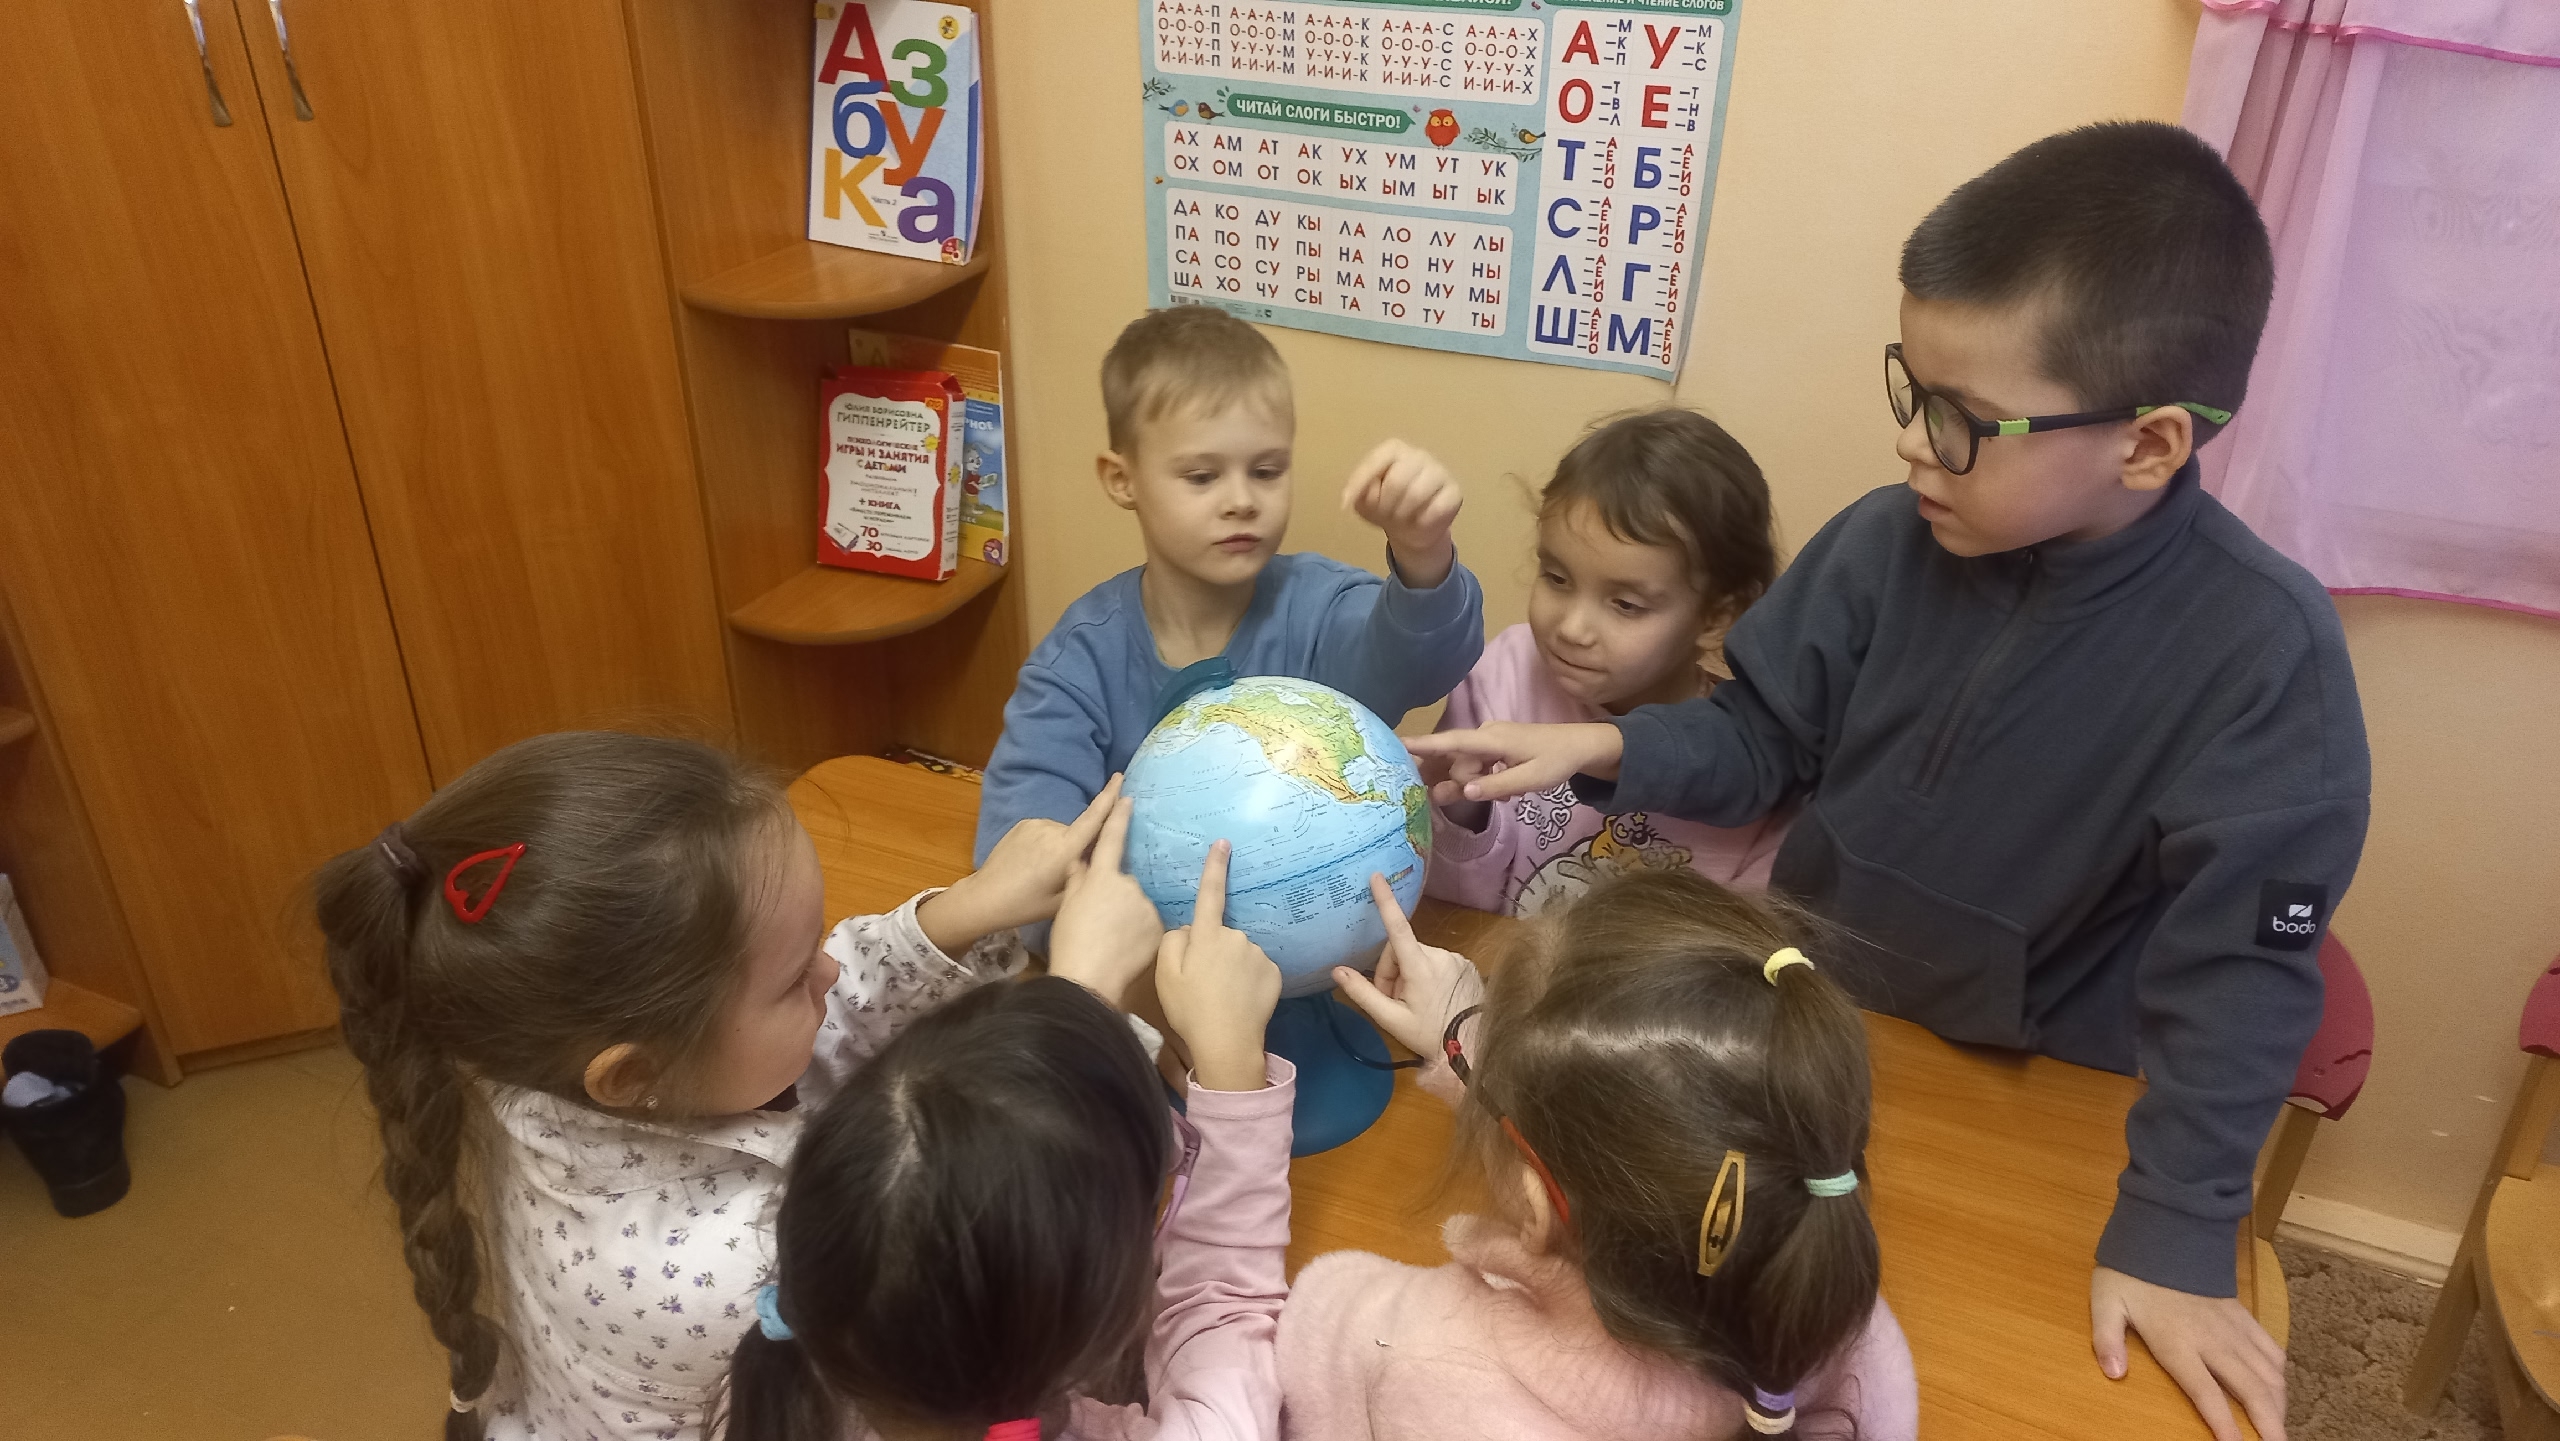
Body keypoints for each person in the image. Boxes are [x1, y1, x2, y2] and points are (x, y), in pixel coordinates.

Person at [1409, 121, 2369, 1441]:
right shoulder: (1881, 541)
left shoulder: (2265, 655)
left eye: (1963, 420)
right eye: (1911, 389)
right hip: (1804, 1038)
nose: (1916, 443)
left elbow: (2242, 981)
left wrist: (2180, 1231)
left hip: (2032, 1090)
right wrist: (1614, 748)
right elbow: (1761, 741)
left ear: (2147, 444)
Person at [312, 731, 1166, 1441]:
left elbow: (815, 1012)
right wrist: (1084, 1002)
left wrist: (968, 908)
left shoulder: (539, 1063)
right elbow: (1001, 1207)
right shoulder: (736, 1261)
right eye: (796, 975)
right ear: (635, 1074)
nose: (832, 970)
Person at [1287, 869, 1916, 1440]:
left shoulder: (1428, 1363)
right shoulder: (1835, 1317)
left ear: (1537, 1208)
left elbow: (1272, 1343)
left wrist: (1238, 1096)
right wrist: (1477, 1049)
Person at [721, 842, 1293, 1441]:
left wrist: (1083, 1000)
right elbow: (1222, 1316)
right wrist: (1233, 1071)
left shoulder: (782, 1391)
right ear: (1109, 1314)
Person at [973, 305, 1485, 866]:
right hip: (1130, 923)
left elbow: (1425, 661)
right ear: (1122, 480)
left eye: (1266, 471)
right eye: (1202, 476)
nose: (1242, 500)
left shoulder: (1321, 610)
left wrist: (1423, 551)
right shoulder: (1081, 662)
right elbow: (1018, 853)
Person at [1424, 408, 1787, 916]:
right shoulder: (1508, 671)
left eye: (1626, 605)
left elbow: (1744, 953)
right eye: (1556, 578)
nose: (1572, 628)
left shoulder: (1755, 762)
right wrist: (1460, 810)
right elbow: (1447, 902)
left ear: (1716, 616)